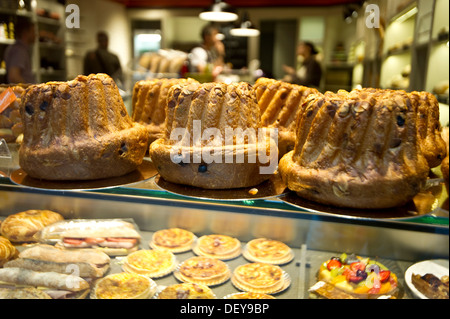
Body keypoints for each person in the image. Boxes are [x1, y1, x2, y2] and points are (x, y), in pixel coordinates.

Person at [4, 16, 36, 84]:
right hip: (21, 94)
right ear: (25, 33)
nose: (35, 35)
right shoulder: (19, 50)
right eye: (33, 31)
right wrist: (29, 90)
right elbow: (13, 76)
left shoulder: (16, 48)